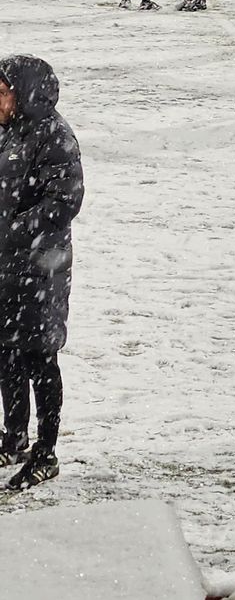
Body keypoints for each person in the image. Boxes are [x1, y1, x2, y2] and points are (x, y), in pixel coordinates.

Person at [0, 55, 84, 492]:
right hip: (6, 268)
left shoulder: (54, 137)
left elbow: (64, 202)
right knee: (6, 355)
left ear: (25, 93)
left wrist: (12, 230)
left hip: (39, 271)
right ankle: (13, 438)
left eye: (2, 92)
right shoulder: (9, 130)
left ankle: (45, 453)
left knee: (39, 359)